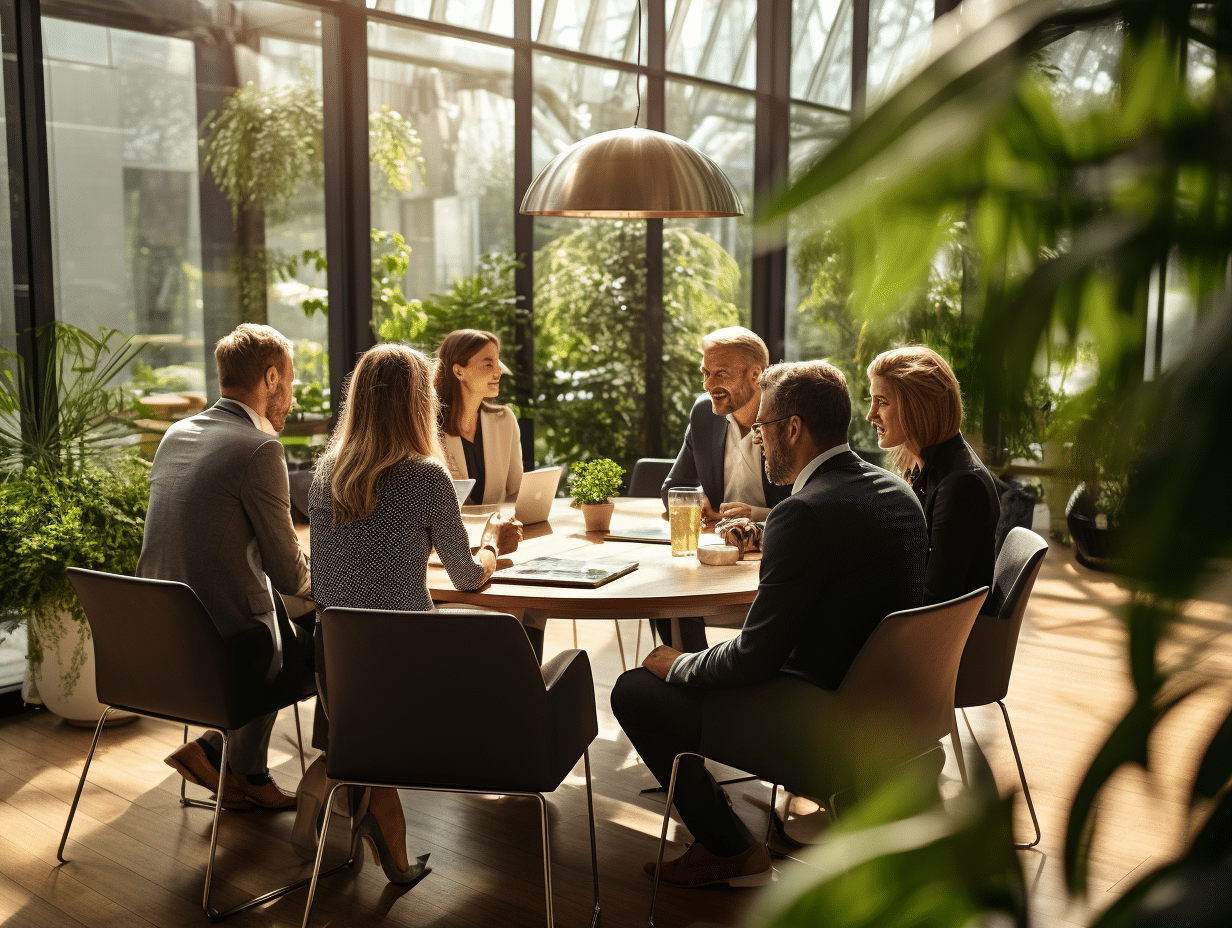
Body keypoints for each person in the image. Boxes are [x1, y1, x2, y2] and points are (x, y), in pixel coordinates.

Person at [611, 360, 928, 888]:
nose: (757, 439)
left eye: (762, 427)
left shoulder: (801, 513)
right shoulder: (898, 491)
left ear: (794, 428)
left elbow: (753, 657)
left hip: (822, 725)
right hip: (891, 715)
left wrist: (681, 662)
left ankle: (730, 848)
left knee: (634, 690)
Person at [308, 343, 521, 882]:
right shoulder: (426, 476)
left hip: (339, 673)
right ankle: (381, 811)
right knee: (506, 645)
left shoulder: (326, 473)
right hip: (411, 679)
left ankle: (370, 802)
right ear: (417, 402)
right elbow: (467, 577)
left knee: (372, 644)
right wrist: (494, 545)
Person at [144, 323, 312, 812]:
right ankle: (240, 767)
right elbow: (289, 575)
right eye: (292, 382)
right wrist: (339, 576)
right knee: (330, 642)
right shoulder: (259, 448)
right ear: (271, 378)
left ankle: (229, 762)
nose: (293, 397)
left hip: (156, 640)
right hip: (222, 650)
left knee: (280, 620)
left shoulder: (178, 434)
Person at [658, 327, 792, 651]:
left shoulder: (788, 418)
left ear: (755, 374)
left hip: (777, 564)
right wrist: (699, 501)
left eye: (720, 374)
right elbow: (672, 488)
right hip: (720, 559)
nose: (708, 385)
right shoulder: (704, 413)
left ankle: (709, 676)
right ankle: (694, 669)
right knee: (665, 596)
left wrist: (756, 517)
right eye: (705, 373)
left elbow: (813, 503)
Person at [866, 346, 1000, 604]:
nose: (871, 415)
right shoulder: (932, 465)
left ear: (918, 407)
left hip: (943, 638)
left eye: (882, 402)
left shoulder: (960, 486)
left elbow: (936, 598)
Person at [436, 329, 523, 506]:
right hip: (450, 532)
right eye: (488, 364)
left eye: (497, 363)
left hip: (496, 529)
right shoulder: (430, 426)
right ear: (459, 372)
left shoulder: (504, 420)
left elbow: (516, 491)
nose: (498, 372)